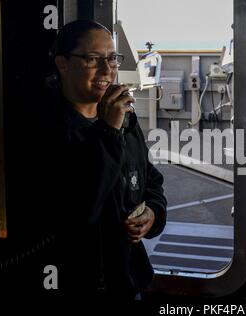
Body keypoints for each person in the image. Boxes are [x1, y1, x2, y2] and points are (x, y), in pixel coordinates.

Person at [24, 20, 167, 298]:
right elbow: (80, 208)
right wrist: (108, 130)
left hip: (127, 279)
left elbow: (150, 180)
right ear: (62, 64)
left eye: (112, 58)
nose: (107, 70)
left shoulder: (125, 120)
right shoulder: (45, 129)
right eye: (92, 59)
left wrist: (153, 214)